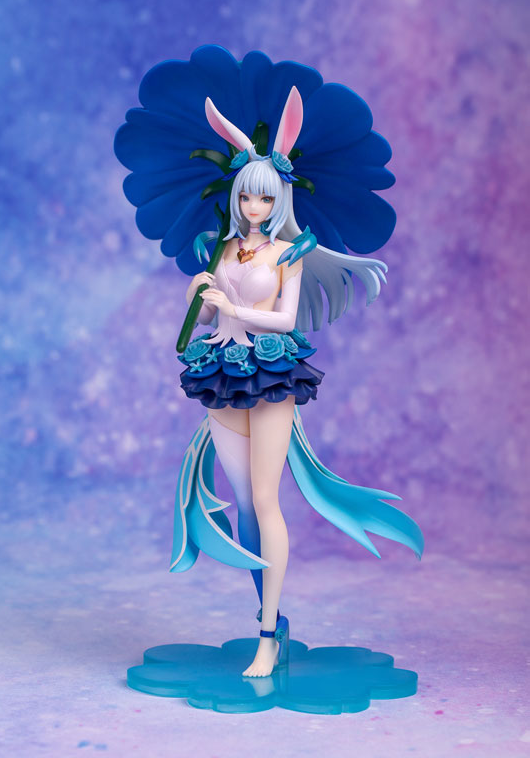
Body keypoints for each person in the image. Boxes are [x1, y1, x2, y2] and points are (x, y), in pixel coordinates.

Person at [114, 46, 424, 681]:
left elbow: (286, 319)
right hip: (221, 374)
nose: (253, 208)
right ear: (234, 197)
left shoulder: (291, 252)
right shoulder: (221, 247)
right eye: (245, 197)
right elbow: (208, 322)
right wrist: (203, 299)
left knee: (265, 497)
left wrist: (236, 308)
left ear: (279, 197)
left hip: (271, 373)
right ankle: (271, 621)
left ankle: (265, 634)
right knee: (243, 504)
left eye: (264, 198)